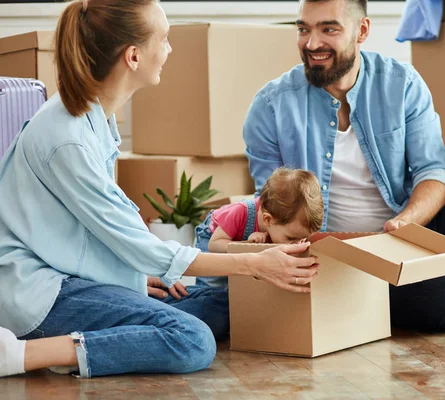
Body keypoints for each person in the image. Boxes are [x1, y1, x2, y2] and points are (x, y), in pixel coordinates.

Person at [0, 0, 318, 379]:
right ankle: (19, 354)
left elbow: (98, 232)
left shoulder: (94, 118)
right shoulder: (67, 137)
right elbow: (141, 246)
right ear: (133, 56)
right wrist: (254, 263)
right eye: (164, 39)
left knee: (219, 304)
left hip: (72, 273)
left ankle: (103, 338)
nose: (169, 49)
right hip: (40, 291)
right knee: (193, 339)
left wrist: (128, 277)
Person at [242, 0, 445, 332]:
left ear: (362, 31)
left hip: (410, 231)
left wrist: (404, 224)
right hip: (337, 260)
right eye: (303, 29)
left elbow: (434, 172)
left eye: (329, 29)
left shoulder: (401, 83)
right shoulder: (271, 106)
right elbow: (270, 206)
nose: (312, 44)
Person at [195, 167, 324, 287]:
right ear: (267, 220)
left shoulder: (281, 224)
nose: (297, 244)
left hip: (241, 255)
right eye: (291, 238)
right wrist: (245, 245)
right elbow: (214, 245)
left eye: (303, 239)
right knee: (215, 289)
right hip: (214, 240)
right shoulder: (239, 212)